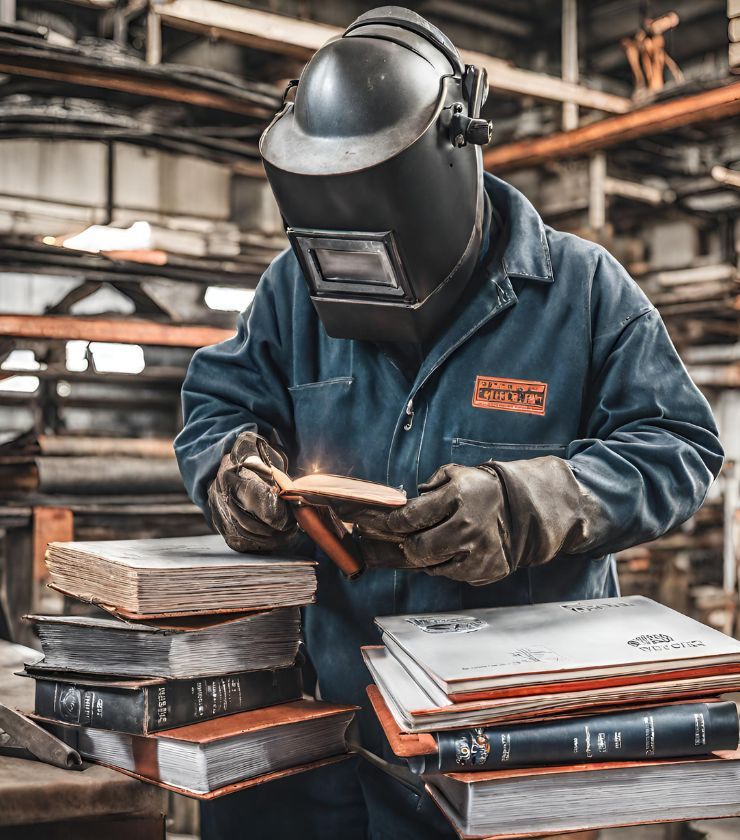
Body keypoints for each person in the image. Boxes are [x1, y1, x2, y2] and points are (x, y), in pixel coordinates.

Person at [174, 7, 723, 839]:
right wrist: (232, 467)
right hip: (323, 737)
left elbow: (680, 447)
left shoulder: (582, 293)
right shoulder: (295, 287)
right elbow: (222, 402)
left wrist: (531, 502)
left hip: (503, 754)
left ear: (452, 161)